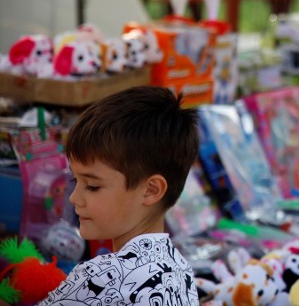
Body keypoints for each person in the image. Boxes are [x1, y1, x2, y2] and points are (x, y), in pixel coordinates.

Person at [38, 86, 201, 305]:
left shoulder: (102, 278)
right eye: (76, 181)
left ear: (151, 190)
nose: (74, 198)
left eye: (93, 186)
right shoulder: (181, 269)